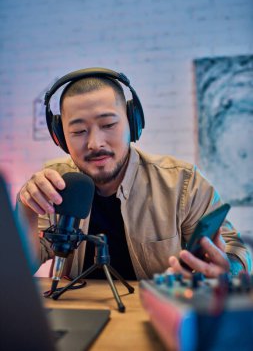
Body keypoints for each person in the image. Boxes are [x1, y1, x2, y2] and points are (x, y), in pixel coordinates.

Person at [16, 68, 251, 281]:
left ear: (133, 124)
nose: (95, 143)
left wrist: (226, 269)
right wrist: (26, 209)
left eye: (108, 125)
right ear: (60, 137)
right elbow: (20, 267)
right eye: (78, 131)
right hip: (81, 316)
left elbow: (235, 250)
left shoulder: (183, 183)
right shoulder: (55, 185)